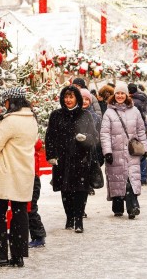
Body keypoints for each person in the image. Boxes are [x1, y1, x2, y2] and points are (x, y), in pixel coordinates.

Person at [0, 87, 38, 268]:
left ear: (11, 101)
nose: (4, 104)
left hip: (5, 173)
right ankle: (18, 255)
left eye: (6, 101)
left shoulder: (11, 121)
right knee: (20, 213)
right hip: (24, 172)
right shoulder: (32, 120)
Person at [45, 86, 98, 233]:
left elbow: (94, 137)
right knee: (65, 190)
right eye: (66, 97)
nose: (68, 100)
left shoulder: (85, 115)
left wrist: (85, 138)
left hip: (81, 158)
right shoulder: (56, 115)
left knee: (81, 190)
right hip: (62, 159)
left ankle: (79, 220)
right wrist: (51, 155)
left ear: (77, 99)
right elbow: (50, 137)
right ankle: (69, 217)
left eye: (71, 97)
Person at [100, 82, 147, 219]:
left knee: (130, 178)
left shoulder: (135, 111)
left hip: (131, 151)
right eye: (118, 93)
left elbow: (141, 131)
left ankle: (133, 207)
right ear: (114, 95)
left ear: (127, 95)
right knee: (116, 179)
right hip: (115, 152)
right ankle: (118, 206)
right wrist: (107, 152)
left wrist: (144, 148)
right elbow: (104, 134)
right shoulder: (109, 113)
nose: (120, 96)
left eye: (122, 93)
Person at [80, 88, 104, 198]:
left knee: (87, 173)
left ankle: (87, 186)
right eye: (82, 99)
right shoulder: (73, 115)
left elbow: (98, 135)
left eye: (87, 99)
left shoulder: (95, 117)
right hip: (77, 151)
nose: (84, 101)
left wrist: (100, 153)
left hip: (91, 151)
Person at [128, 83, 147, 186]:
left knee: (135, 152)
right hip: (143, 126)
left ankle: (137, 177)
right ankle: (144, 177)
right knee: (142, 152)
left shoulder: (133, 101)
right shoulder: (143, 98)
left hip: (135, 127)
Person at [28, 138, 47, 248]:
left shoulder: (31, 150)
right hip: (31, 178)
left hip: (32, 179)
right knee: (30, 209)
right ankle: (38, 235)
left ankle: (38, 236)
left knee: (31, 209)